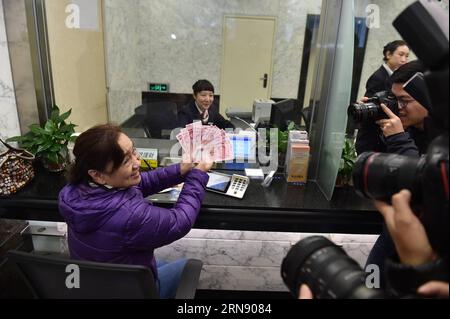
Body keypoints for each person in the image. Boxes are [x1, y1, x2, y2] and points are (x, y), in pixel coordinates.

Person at [58, 124, 213, 299]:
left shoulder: (73, 191)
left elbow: (140, 183)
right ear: (98, 175)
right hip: (130, 291)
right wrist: (198, 175)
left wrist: (180, 170)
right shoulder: (130, 216)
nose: (137, 162)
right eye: (126, 161)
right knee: (189, 266)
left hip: (96, 284)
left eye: (134, 151)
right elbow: (179, 221)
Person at [356, 60, 429, 155]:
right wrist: (370, 125)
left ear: (428, 98)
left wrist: (398, 139)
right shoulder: (403, 127)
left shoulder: (443, 138)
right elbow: (367, 160)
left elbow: (420, 169)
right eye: (393, 98)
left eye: (404, 100)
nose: (398, 106)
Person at [356, 40, 410, 154]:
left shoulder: (395, 78)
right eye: (400, 55)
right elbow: (372, 109)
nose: (404, 60)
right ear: (388, 54)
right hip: (372, 140)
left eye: (407, 56)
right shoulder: (379, 77)